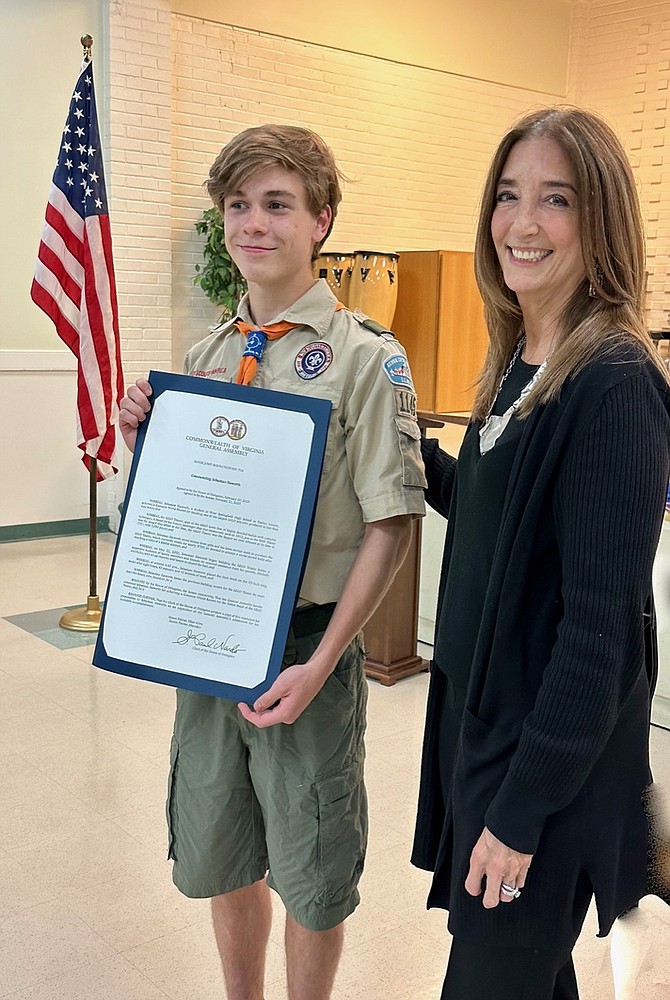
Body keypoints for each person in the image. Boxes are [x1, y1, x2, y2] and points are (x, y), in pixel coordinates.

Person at [119, 123, 426, 1000]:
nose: (254, 223)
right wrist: (148, 440)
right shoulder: (206, 358)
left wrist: (323, 661)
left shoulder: (369, 359)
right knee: (224, 847)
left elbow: (392, 523)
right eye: (238, 206)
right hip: (208, 644)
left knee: (312, 861)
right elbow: (185, 513)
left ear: (322, 219)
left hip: (306, 648)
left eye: (278, 204)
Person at [410, 106, 670, 1000]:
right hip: (486, 730)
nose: (522, 224)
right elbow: (499, 519)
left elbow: (599, 637)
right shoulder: (520, 357)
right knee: (527, 977)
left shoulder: (614, 387)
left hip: (545, 762)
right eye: (508, 196)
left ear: (600, 221)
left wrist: (520, 815)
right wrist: (409, 454)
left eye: (555, 199)